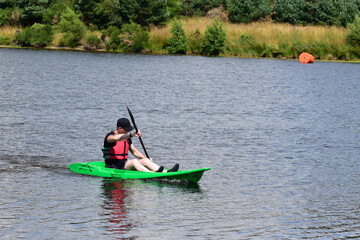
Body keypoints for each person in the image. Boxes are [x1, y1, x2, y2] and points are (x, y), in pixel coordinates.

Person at [102, 118, 179, 172]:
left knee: (145, 160)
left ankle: (166, 172)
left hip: (123, 164)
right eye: (126, 130)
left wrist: (146, 158)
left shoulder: (126, 137)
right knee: (134, 162)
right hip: (113, 165)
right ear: (119, 128)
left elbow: (135, 152)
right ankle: (151, 174)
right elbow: (116, 138)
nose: (127, 131)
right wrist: (131, 134)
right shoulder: (109, 137)